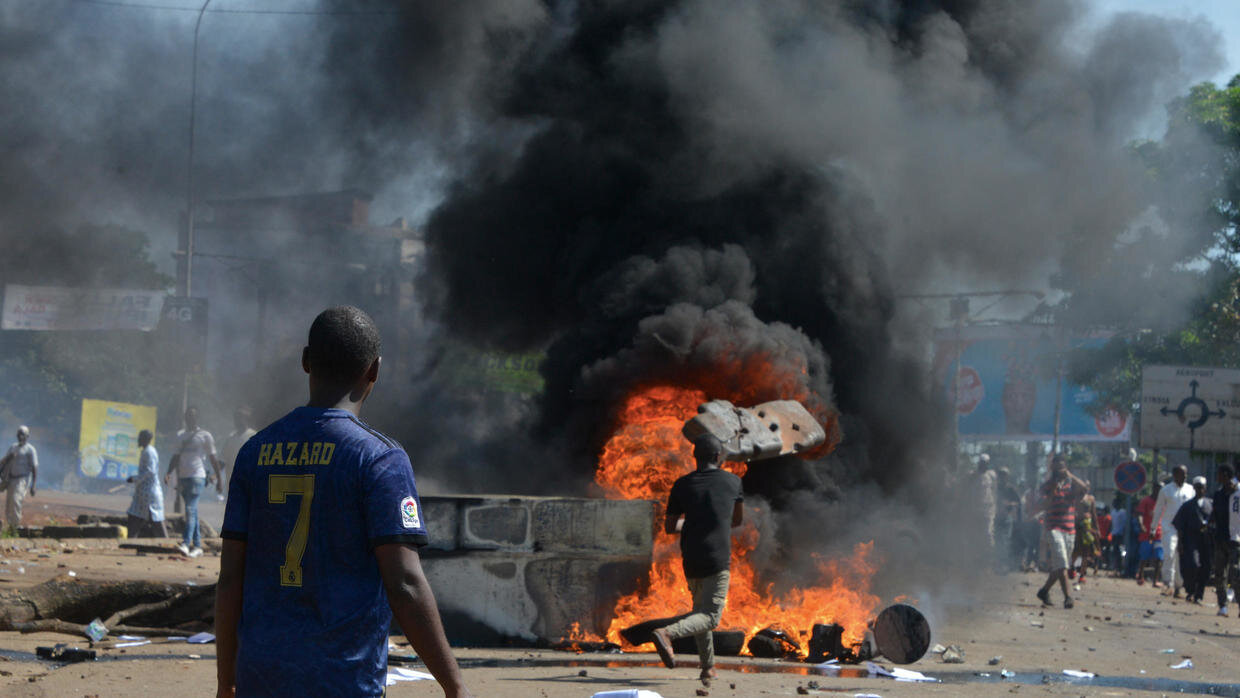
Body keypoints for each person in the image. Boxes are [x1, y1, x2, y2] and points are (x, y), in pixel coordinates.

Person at [215, 306, 471, 698]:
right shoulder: (380, 459)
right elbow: (404, 582)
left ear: (305, 361)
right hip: (342, 680)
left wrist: (225, 681)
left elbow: (231, 577)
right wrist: (455, 686)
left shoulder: (255, 452)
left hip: (262, 678)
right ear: (374, 370)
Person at [649, 434, 744, 687]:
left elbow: (670, 526)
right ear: (717, 457)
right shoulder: (733, 482)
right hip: (716, 558)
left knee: (699, 612)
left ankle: (708, 668)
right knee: (711, 617)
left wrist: (691, 521)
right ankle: (667, 634)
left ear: (695, 457)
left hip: (690, 559)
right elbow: (736, 521)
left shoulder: (681, 485)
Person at [165, 407, 222, 557]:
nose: (190, 418)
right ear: (185, 418)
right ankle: (197, 547)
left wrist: (219, 479)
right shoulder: (181, 436)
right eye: (188, 416)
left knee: (190, 509)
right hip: (183, 478)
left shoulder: (205, 436)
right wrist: (168, 473)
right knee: (192, 512)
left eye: (193, 416)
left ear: (197, 418)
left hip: (198, 477)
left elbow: (213, 459)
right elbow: (176, 457)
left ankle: (185, 543)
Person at [1035, 455, 1089, 609]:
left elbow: (1084, 489)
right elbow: (1044, 505)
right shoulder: (1046, 486)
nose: (1059, 470)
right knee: (1062, 564)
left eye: (1062, 466)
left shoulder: (1071, 485)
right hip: (1053, 528)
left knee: (1060, 565)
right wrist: (1053, 490)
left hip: (1070, 530)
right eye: (1057, 467)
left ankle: (1044, 591)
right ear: (1052, 468)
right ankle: (1068, 597)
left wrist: (1069, 475)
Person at [1153, 465, 1195, 596]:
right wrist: (1153, 528)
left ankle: (1178, 586)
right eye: (1182, 474)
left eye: (1186, 474)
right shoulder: (1166, 490)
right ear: (1175, 474)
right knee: (1170, 554)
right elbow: (1158, 510)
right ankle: (1168, 584)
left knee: (1180, 558)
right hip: (1169, 528)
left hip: (1185, 530)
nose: (1185, 476)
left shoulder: (1191, 490)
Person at [1172, 476, 1213, 604]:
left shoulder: (1211, 504)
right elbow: (1179, 525)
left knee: (1206, 567)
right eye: (1198, 487)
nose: (1200, 490)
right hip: (1191, 539)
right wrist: (1180, 542)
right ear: (1194, 488)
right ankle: (1190, 590)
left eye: (1202, 487)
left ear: (1205, 489)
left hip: (1206, 540)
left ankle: (1199, 595)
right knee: (1193, 565)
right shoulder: (1187, 506)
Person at [126, 430, 167, 538]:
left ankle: (167, 543)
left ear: (145, 439)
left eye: (140, 438)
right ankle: (131, 542)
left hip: (149, 493)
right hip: (144, 493)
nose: (138, 440)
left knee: (154, 520)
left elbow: (150, 471)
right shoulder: (147, 451)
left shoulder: (149, 452)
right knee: (135, 517)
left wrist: (134, 479)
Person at [1210, 464, 1237, 615]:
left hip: (1235, 540)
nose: (1217, 477)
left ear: (1226, 475)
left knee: (1235, 573)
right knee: (1220, 574)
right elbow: (1214, 514)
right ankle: (1223, 605)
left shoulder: (1237, 494)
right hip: (1220, 539)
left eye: (1219, 474)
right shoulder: (1218, 494)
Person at [0, 426, 37, 531]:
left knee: (16, 500)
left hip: (22, 479)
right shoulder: (13, 447)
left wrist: (33, 485)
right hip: (10, 478)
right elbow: (3, 462)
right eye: (19, 434)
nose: (20, 436)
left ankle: (15, 527)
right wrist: (9, 457)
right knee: (9, 502)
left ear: (27, 436)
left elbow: (34, 467)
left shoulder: (30, 450)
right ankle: (10, 525)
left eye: (22, 434)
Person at [217, 407, 256, 501]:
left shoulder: (254, 436)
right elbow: (223, 460)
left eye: (239, 418)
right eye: (236, 418)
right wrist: (215, 475)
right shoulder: (231, 438)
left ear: (246, 419)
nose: (237, 421)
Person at [994, 468, 1022, 571]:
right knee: (997, 540)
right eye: (1001, 475)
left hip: (1007, 518)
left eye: (1004, 475)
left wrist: (1009, 504)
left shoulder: (1010, 489)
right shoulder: (995, 488)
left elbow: (1018, 502)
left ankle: (1004, 564)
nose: (1002, 477)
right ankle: (997, 563)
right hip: (996, 517)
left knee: (1005, 541)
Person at [1135, 486, 1162, 586]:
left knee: (1159, 558)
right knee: (1144, 557)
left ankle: (1156, 580)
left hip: (1159, 534)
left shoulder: (1163, 502)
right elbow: (1140, 514)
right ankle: (1140, 576)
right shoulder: (1145, 500)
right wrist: (1141, 524)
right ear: (1155, 489)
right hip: (1146, 534)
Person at [976, 454, 997, 552]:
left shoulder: (991, 475)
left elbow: (995, 491)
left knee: (988, 533)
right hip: (976, 509)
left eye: (985, 463)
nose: (982, 465)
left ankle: (989, 556)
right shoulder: (973, 476)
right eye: (981, 463)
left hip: (988, 509)